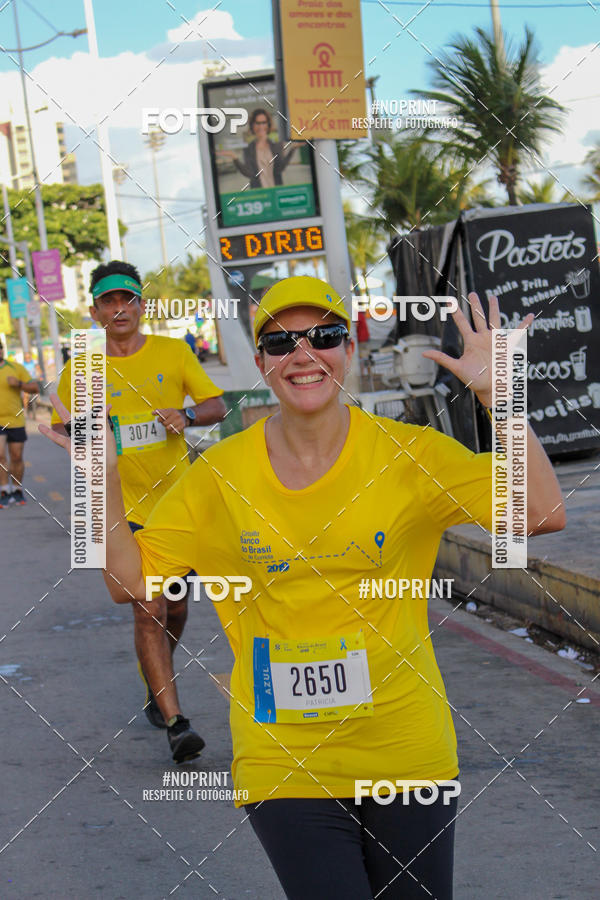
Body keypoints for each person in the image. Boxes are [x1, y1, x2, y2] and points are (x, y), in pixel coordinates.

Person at [43, 275, 565, 898]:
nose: (303, 354)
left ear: (348, 350)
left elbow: (539, 512)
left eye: (324, 336)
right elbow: (126, 584)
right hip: (282, 759)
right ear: (260, 361)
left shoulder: (408, 456)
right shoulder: (219, 475)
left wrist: (501, 394)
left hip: (405, 748)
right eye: (281, 342)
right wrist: (99, 480)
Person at [50, 260, 227, 763]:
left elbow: (217, 404)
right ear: (95, 311)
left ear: (141, 306)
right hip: (116, 507)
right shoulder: (82, 369)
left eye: (127, 299)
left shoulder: (173, 352)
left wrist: (186, 414)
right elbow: (67, 427)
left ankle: (156, 678)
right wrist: (81, 435)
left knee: (175, 607)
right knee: (147, 608)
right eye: (109, 301)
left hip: (177, 504)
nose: (119, 309)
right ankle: (176, 722)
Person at [0, 341, 39, 506]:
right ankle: (3, 490)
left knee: (16, 457)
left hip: (15, 420)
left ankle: (16, 489)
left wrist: (20, 384)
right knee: (0, 455)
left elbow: (35, 387)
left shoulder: (16, 368)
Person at [218, 108, 297, 189]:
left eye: (264, 122)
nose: (261, 126)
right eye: (257, 123)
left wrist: (292, 149)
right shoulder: (248, 149)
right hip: (259, 194)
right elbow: (249, 174)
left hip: (276, 191)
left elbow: (280, 168)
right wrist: (234, 157)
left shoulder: (276, 146)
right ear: (252, 125)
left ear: (268, 124)